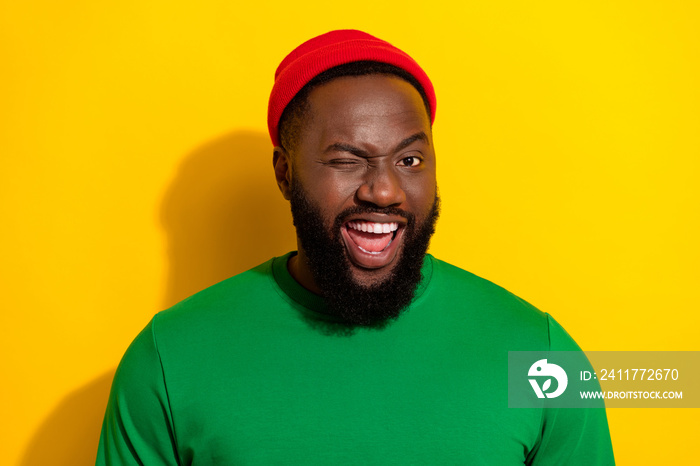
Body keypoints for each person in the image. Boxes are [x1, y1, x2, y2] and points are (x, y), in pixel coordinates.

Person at [96, 30, 614, 465]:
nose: (384, 191)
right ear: (284, 174)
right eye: (346, 160)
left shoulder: (540, 355)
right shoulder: (169, 360)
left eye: (410, 160)